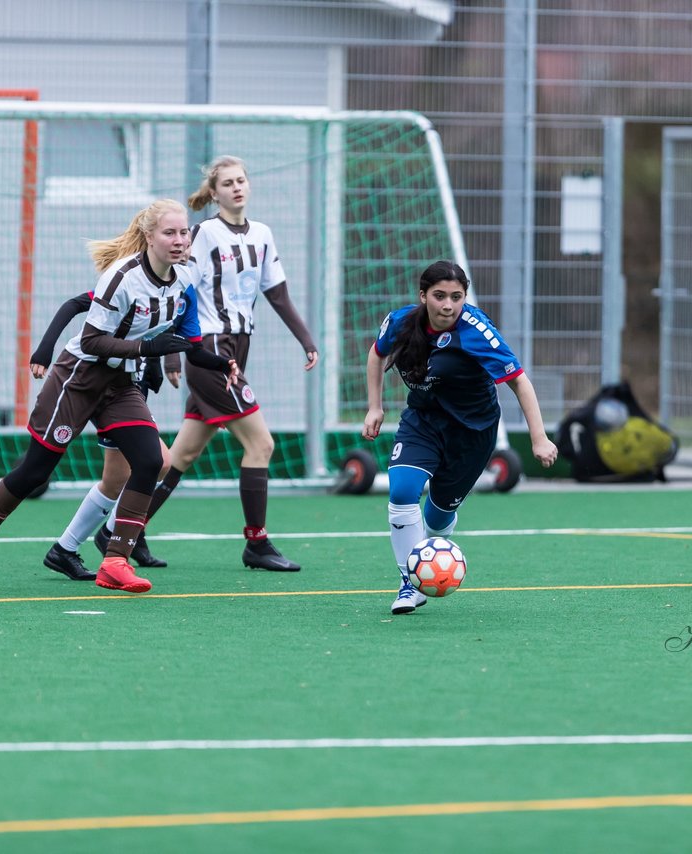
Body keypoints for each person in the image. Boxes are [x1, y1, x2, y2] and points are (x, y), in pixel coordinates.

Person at [0, 199, 237, 594]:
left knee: (152, 460)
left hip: (120, 383)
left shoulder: (186, 279)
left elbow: (187, 343)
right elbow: (92, 340)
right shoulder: (123, 277)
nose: (179, 240)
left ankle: (115, 562)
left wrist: (223, 364)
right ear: (149, 237)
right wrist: (147, 351)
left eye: (184, 232)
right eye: (169, 233)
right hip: (79, 377)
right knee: (34, 472)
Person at [97, 155, 318, 572]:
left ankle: (121, 532)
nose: (237, 187)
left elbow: (278, 294)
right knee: (261, 444)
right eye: (227, 183)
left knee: (183, 454)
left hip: (239, 344)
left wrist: (306, 340)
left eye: (241, 180)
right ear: (214, 193)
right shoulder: (204, 234)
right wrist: (175, 354)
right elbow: (182, 292)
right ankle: (257, 543)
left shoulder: (264, 235)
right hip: (212, 351)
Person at [363, 260, 558, 614]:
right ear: (423, 296)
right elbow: (376, 356)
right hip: (422, 421)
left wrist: (539, 438)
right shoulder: (400, 322)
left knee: (436, 520)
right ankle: (411, 582)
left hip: (472, 432)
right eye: (439, 296)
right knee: (403, 491)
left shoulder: (477, 331)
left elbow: (519, 381)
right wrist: (374, 407)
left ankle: (438, 530)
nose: (448, 305)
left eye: (457, 296)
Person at [27, 291, 177, 580]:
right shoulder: (125, 284)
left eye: (186, 242)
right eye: (175, 241)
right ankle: (98, 539)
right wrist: (46, 347)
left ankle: (71, 547)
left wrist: (159, 361)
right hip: (107, 388)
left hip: (131, 383)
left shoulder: (175, 284)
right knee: (148, 466)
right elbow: (74, 305)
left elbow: (162, 328)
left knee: (134, 472)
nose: (182, 245)